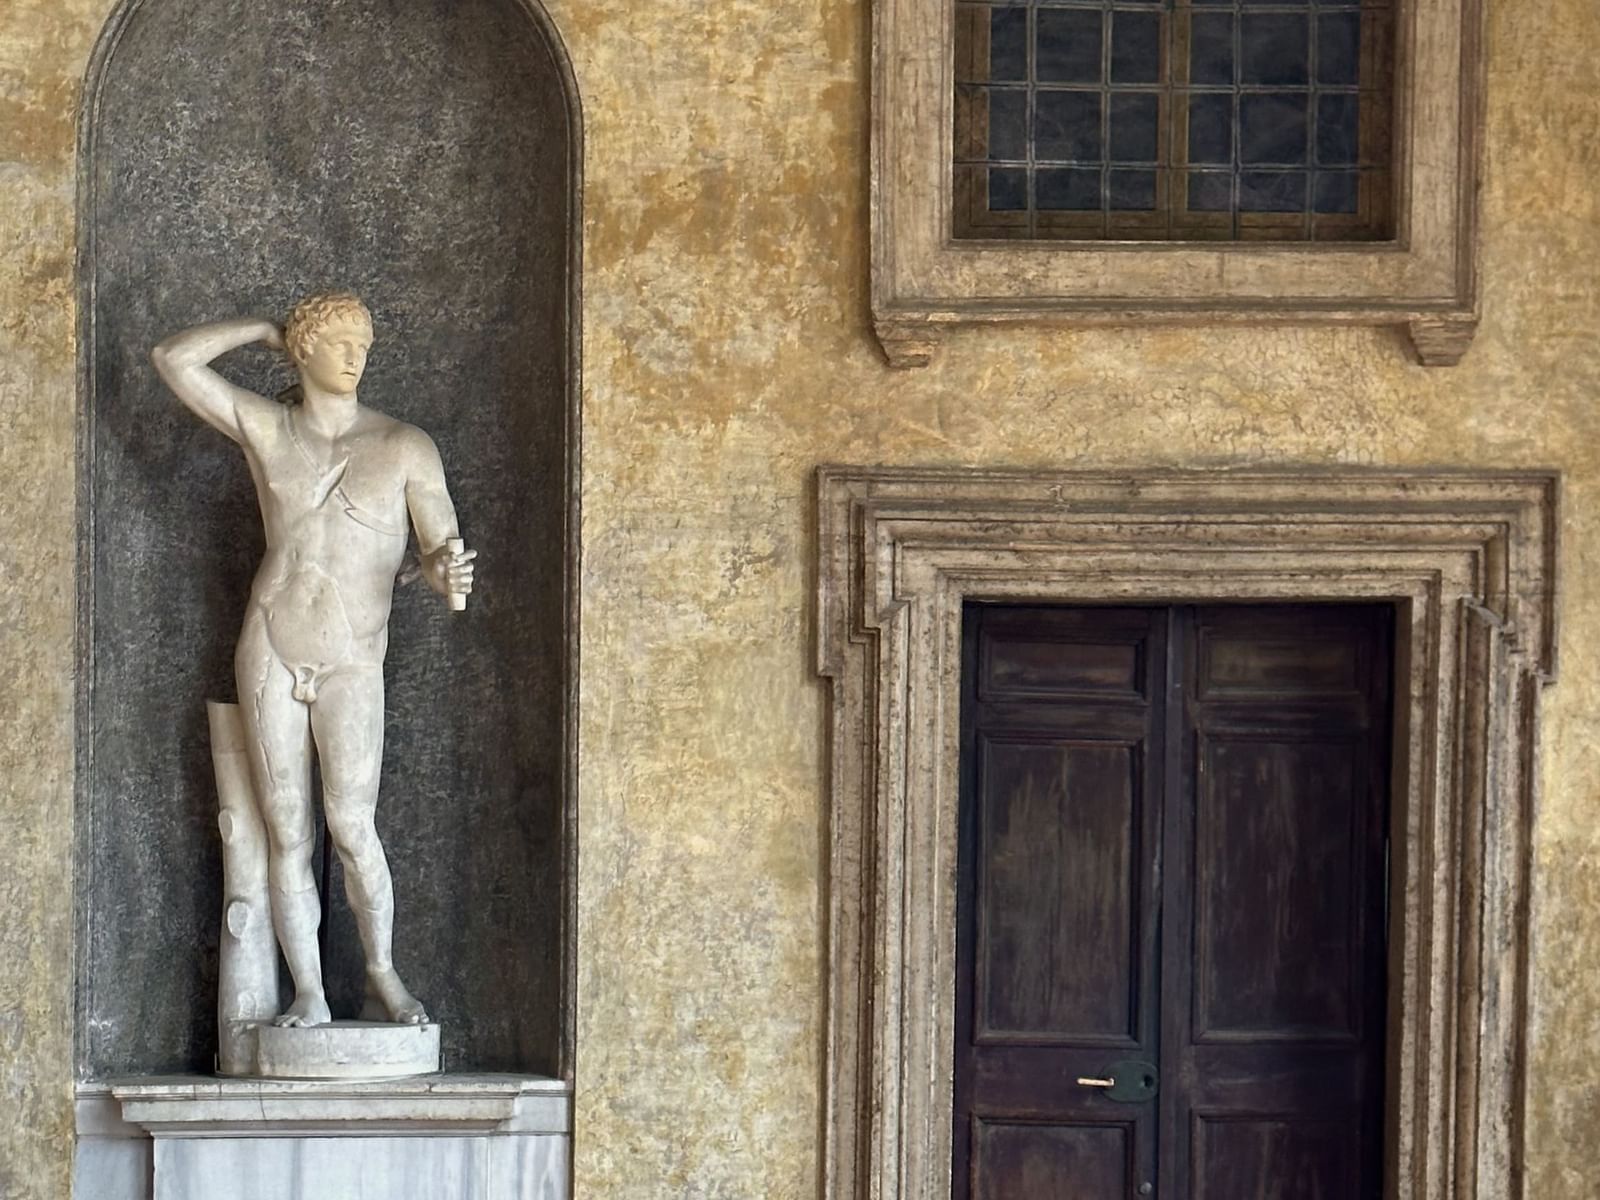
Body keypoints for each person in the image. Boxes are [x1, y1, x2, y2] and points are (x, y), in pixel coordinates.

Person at [152, 292, 475, 1027]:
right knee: (287, 827)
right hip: (270, 644)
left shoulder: (403, 446)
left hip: (353, 657)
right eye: (337, 342)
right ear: (304, 351)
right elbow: (173, 359)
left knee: (352, 825)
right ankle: (309, 994)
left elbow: (437, 549)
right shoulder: (270, 430)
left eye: (364, 341)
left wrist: (445, 573)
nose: (356, 354)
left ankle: (383, 977)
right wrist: (266, 332)